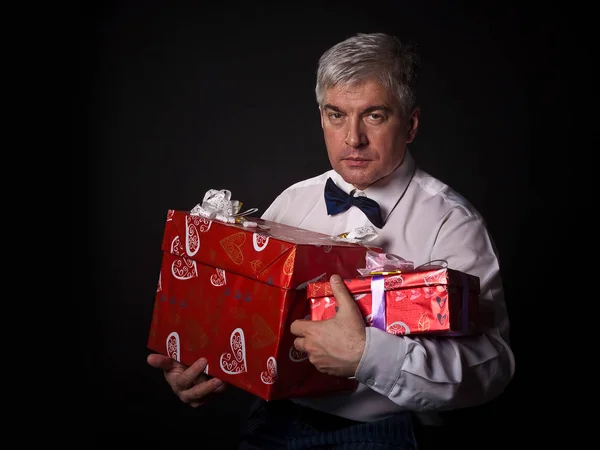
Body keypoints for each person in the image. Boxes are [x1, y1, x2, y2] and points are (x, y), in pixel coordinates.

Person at [147, 32, 515, 449]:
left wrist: (368, 357)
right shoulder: (291, 201)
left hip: (381, 434)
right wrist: (203, 366)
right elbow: (246, 321)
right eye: (336, 115)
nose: (352, 138)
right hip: (270, 424)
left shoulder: (452, 222)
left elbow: (492, 367)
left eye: (374, 116)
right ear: (321, 116)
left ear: (410, 124)